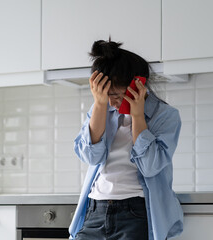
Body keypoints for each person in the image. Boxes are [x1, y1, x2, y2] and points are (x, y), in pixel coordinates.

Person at [69, 39, 183, 240]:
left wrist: (137, 116)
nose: (112, 101)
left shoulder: (165, 115)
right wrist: (99, 105)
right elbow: (90, 157)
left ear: (137, 85)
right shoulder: (102, 108)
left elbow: (150, 166)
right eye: (105, 95)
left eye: (116, 94)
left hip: (136, 211)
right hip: (95, 208)